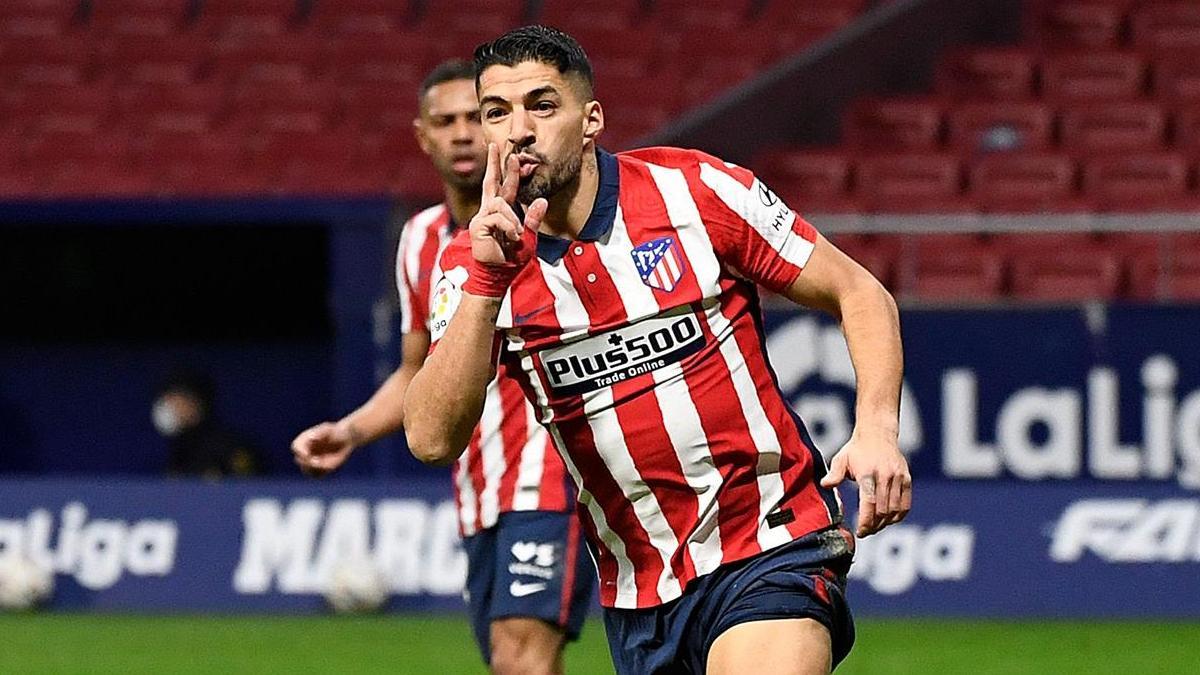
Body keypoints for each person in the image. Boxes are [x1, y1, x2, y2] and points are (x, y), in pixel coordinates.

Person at [404, 27, 912, 675]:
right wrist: (485, 283)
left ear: (590, 119)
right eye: (497, 114)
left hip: (770, 542)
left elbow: (859, 292)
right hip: (638, 591)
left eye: (542, 105)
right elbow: (429, 437)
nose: (519, 130)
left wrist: (877, 428)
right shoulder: (471, 261)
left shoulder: (693, 191)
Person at [291, 60, 593, 675]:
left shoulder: (550, 223)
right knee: (509, 660)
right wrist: (349, 431)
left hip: (554, 479)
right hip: (478, 490)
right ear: (421, 136)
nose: (460, 134)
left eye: (471, 119)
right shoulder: (420, 240)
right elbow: (415, 371)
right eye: (443, 121)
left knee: (521, 654)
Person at [154, 369, 261, 478]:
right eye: (167, 397)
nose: (167, 405)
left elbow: (248, 485)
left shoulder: (226, 445)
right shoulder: (178, 446)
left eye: (175, 398)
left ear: (195, 403)